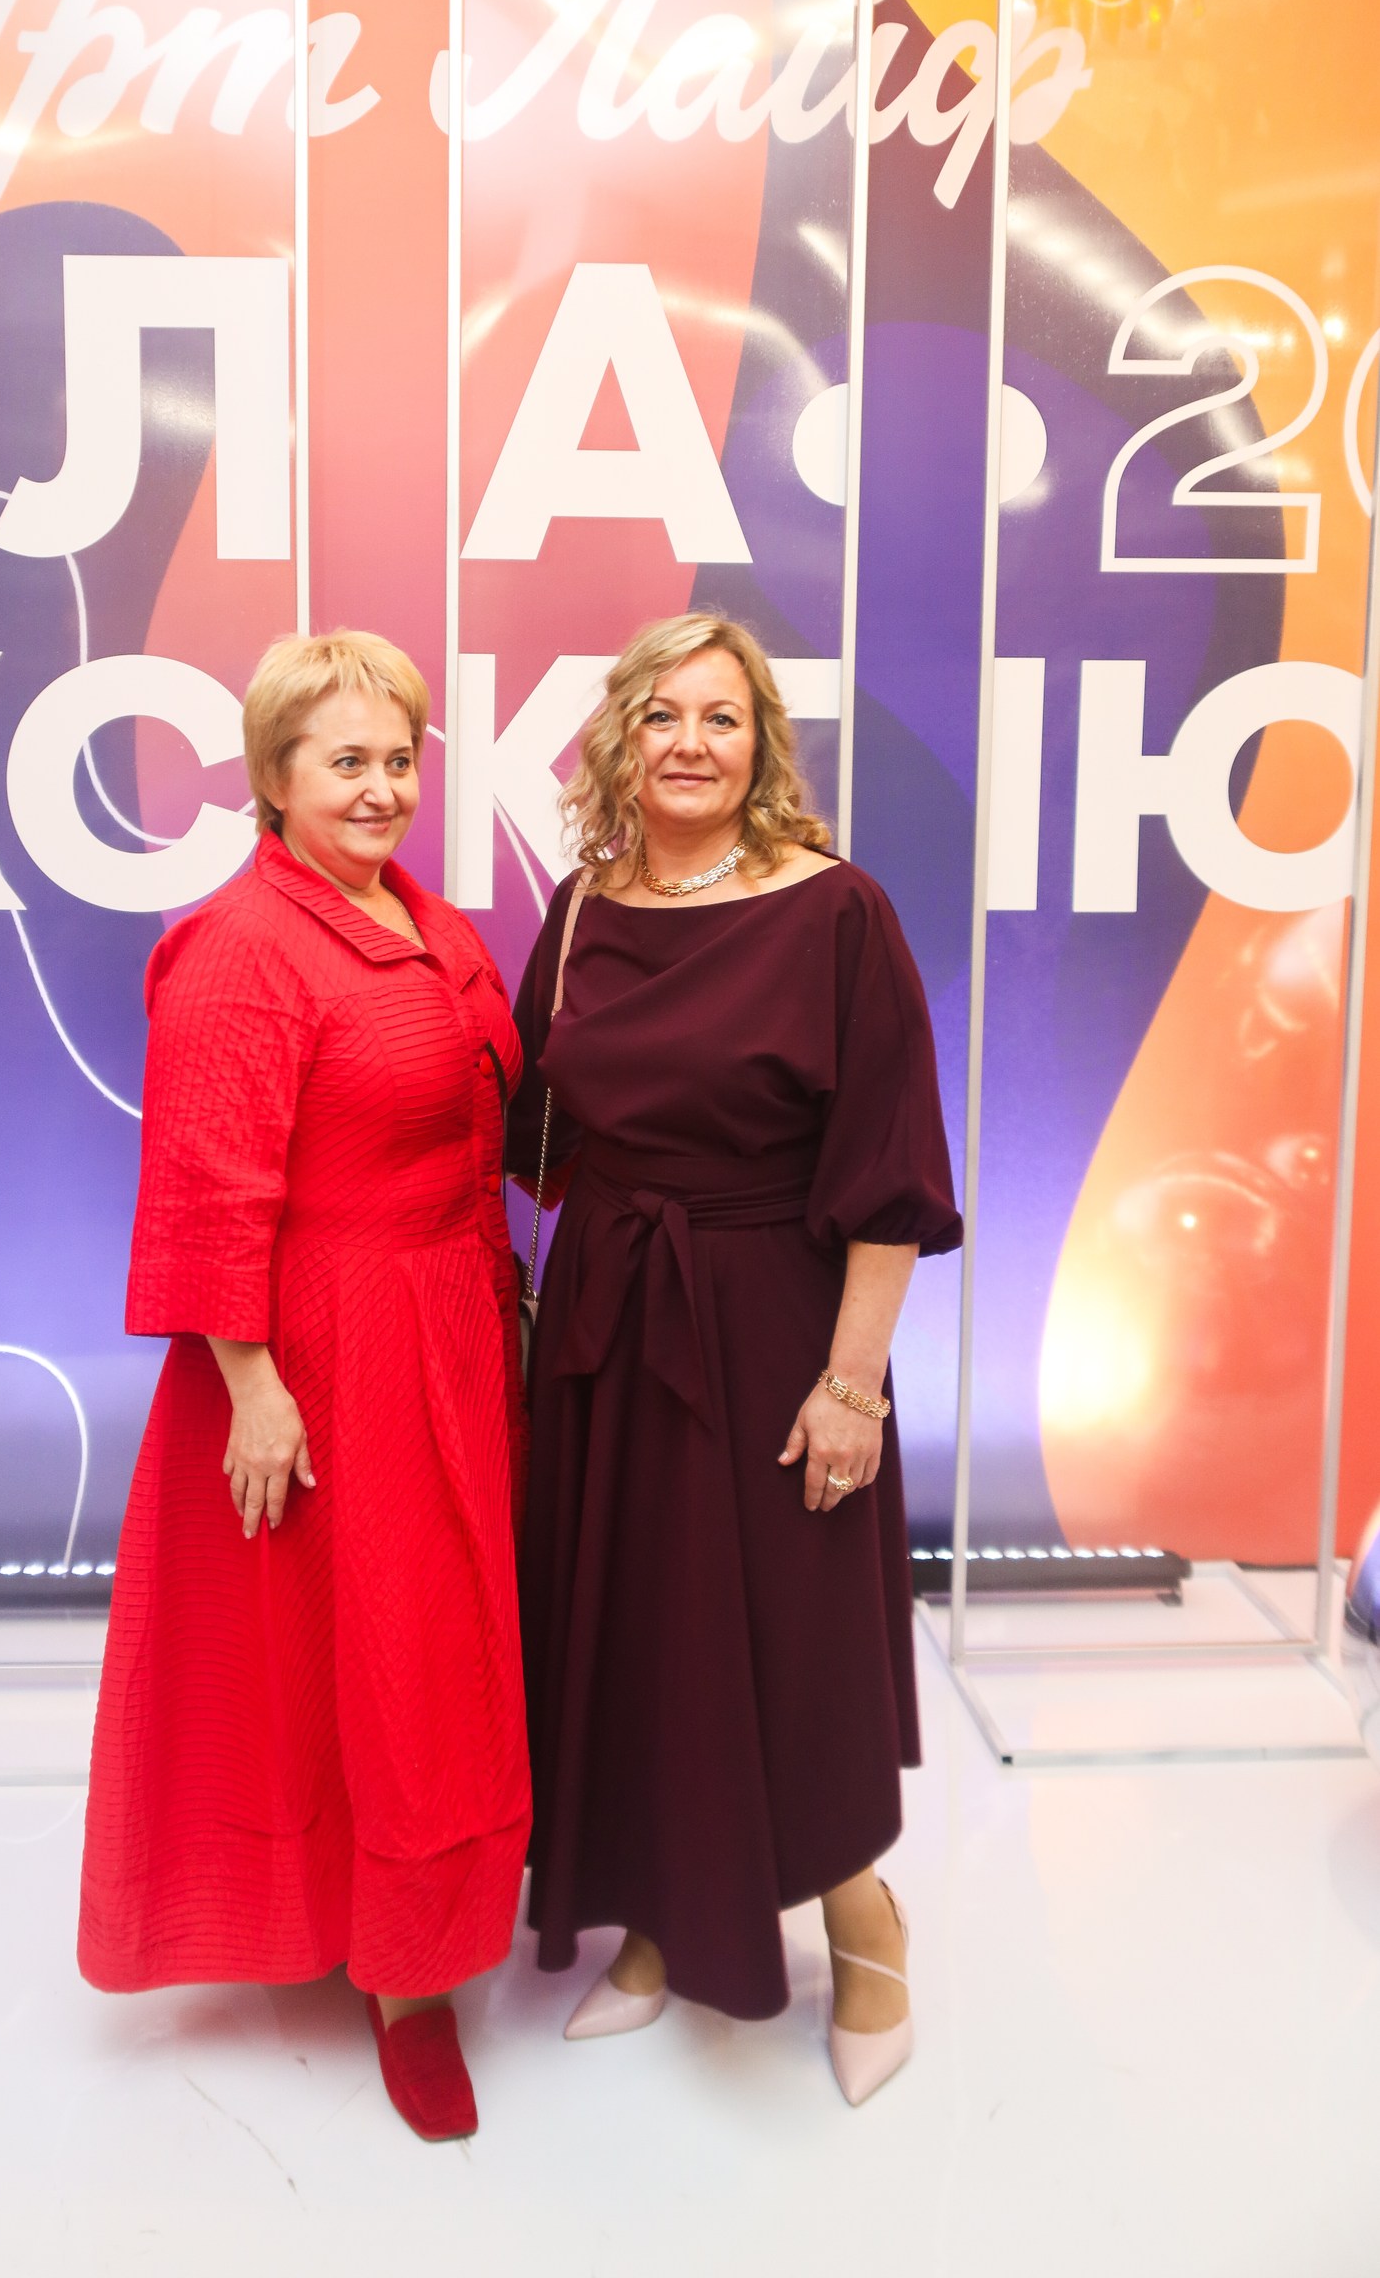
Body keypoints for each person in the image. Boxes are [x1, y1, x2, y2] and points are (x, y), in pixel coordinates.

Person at [79, 630, 530, 2143]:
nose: (383, 787)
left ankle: (424, 1920)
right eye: (347, 761)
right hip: (328, 1350)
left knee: (437, 1648)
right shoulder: (241, 947)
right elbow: (203, 1185)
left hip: (451, 1319)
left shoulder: (425, 918)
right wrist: (254, 1388)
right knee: (388, 1662)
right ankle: (408, 1985)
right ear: (274, 777)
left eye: (399, 758)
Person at [509, 612, 960, 2106]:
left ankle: (863, 1923)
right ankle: (659, 1919)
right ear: (619, 739)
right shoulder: (582, 905)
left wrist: (852, 1385)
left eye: (722, 717)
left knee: (791, 1638)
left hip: (777, 1320)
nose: (690, 744)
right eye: (662, 716)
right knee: (635, 1627)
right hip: (610, 1316)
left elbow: (890, 1177)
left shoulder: (837, 912)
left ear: (761, 742)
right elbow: (536, 1130)